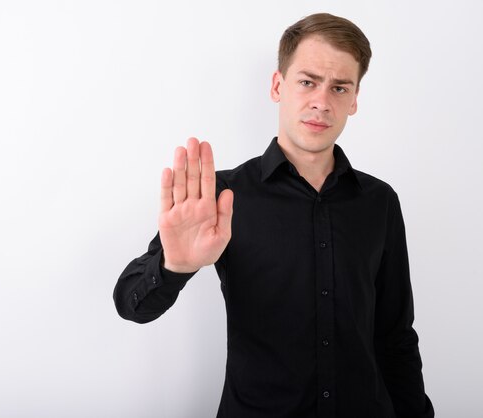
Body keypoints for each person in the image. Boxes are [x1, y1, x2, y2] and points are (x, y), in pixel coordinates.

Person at [113, 12, 434, 418]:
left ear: (354, 100)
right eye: (307, 81)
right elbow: (130, 303)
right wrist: (174, 266)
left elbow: (396, 337)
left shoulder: (379, 201)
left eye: (339, 87)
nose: (321, 100)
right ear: (277, 86)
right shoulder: (222, 195)